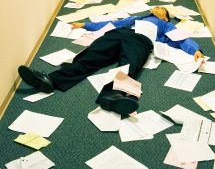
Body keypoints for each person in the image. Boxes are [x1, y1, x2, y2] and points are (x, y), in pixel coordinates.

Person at [18, 7, 203, 115]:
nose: (155, 8)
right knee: (90, 56)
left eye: (160, 9)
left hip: (141, 41)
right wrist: (85, 25)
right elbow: (112, 24)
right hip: (117, 34)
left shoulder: (165, 25)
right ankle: (52, 80)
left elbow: (181, 38)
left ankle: (113, 95)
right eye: (155, 7)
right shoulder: (135, 18)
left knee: (129, 65)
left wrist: (195, 50)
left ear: (165, 17)